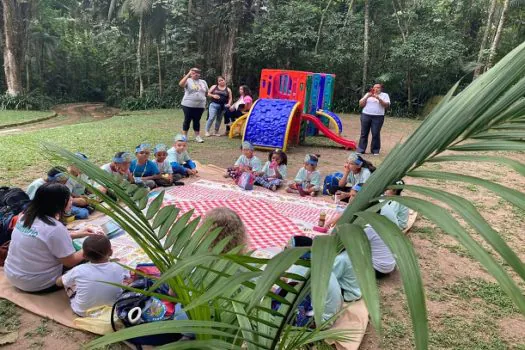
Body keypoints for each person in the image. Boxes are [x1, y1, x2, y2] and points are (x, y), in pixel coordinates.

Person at [4, 183, 98, 293]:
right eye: (69, 199)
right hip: (37, 284)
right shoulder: (55, 228)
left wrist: (79, 233)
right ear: (59, 203)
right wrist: (89, 248)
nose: (71, 200)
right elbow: (70, 262)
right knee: (91, 258)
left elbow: (42, 236)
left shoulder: (25, 216)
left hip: (12, 275)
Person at [56, 235, 128, 316]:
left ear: (84, 256)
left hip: (83, 311)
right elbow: (128, 279)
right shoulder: (119, 267)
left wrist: (63, 277)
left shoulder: (79, 270)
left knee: (70, 282)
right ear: (111, 252)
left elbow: (58, 283)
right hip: (112, 307)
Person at [287, 236, 343, 325]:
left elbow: (290, 290)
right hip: (333, 312)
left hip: (321, 320)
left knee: (279, 301)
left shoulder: (302, 269)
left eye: (288, 248)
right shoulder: (317, 261)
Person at [357, 83, 390, 155]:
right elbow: (361, 104)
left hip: (378, 117)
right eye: (374, 87)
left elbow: (386, 105)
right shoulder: (368, 94)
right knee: (364, 133)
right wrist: (367, 97)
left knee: (375, 133)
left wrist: (378, 98)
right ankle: (361, 149)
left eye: (378, 87)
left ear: (381, 89)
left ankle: (375, 150)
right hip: (366, 115)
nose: (376, 89)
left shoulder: (385, 95)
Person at [179, 67, 209, 143]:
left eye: (198, 72)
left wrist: (203, 100)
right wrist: (188, 74)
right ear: (191, 73)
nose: (196, 74)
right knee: (187, 120)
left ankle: (197, 136)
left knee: (197, 121)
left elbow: (206, 92)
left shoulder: (203, 82)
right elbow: (181, 84)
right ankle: (184, 136)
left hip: (200, 106)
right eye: (194, 72)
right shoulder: (188, 80)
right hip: (188, 105)